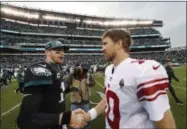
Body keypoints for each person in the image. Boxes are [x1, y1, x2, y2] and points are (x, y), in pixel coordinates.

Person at [76, 29, 176, 128]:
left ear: (118, 44)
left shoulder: (142, 71)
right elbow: (108, 100)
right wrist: (89, 115)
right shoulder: (109, 69)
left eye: (105, 44)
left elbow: (163, 118)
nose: (101, 49)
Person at [16, 40, 87, 129]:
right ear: (47, 52)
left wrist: (70, 88)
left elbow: (54, 91)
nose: (62, 54)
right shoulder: (41, 69)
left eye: (63, 51)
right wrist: (67, 118)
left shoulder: (57, 68)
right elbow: (27, 118)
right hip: (47, 124)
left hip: (58, 122)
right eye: (57, 51)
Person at [70, 63, 95, 129]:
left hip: (85, 102)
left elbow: (92, 84)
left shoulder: (87, 75)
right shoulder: (72, 76)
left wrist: (90, 79)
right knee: (74, 122)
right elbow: (66, 84)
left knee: (86, 120)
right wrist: (70, 74)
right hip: (75, 101)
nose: (81, 71)